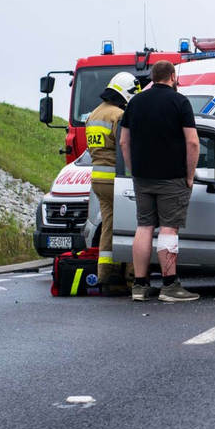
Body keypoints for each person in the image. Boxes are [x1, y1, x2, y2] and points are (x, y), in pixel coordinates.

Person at [119, 60, 201, 302]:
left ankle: (140, 285)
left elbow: (124, 142)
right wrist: (189, 174)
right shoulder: (180, 102)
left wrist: (135, 169)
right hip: (172, 177)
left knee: (144, 226)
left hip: (143, 177)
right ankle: (169, 286)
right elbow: (193, 142)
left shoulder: (135, 103)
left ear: (153, 78)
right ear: (173, 76)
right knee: (168, 228)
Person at [85, 71, 140, 295]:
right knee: (134, 225)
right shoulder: (118, 115)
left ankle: (105, 274)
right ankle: (132, 275)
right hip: (117, 180)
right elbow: (125, 147)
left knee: (108, 225)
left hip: (98, 179)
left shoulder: (93, 115)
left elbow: (91, 150)